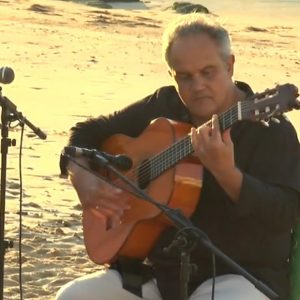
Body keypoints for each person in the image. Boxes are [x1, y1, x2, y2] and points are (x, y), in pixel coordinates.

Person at [56, 13, 300, 300]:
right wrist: (82, 178)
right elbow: (88, 133)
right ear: (172, 74)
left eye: (208, 72)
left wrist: (227, 174)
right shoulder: (164, 105)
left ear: (230, 65)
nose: (197, 86)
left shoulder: (269, 129)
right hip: (160, 274)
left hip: (241, 276)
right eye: (185, 76)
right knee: (73, 296)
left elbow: (285, 215)